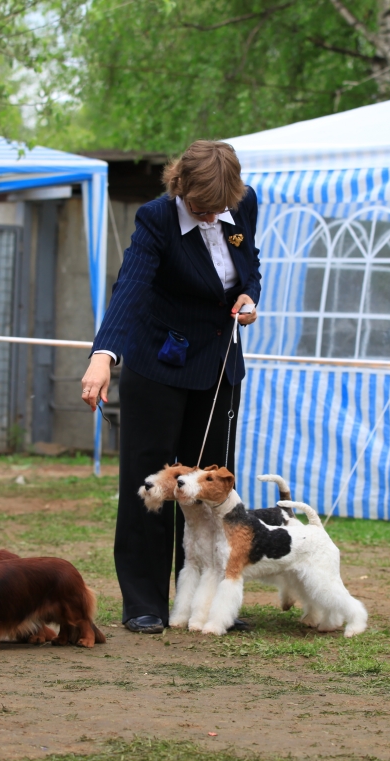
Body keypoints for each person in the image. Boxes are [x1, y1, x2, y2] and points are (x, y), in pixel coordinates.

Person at [80, 140, 261, 634]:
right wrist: (103, 357)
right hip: (159, 365)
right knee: (154, 485)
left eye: (222, 205)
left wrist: (249, 296)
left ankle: (213, 604)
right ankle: (145, 602)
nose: (214, 214)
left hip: (219, 365)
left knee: (212, 489)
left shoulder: (243, 203)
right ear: (181, 186)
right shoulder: (156, 218)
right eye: (203, 207)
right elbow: (131, 289)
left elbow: (250, 267)